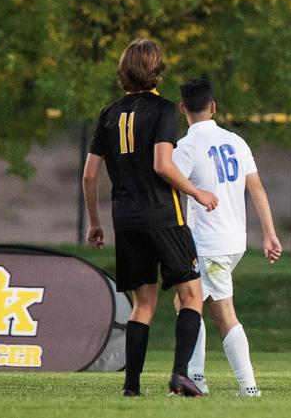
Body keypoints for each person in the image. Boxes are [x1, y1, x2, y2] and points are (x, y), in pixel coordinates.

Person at [81, 38, 219, 397]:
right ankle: (179, 375)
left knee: (143, 304)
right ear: (157, 68)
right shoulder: (162, 110)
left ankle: (131, 387)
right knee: (192, 295)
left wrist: (95, 223)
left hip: (125, 219)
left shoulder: (108, 113)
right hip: (162, 214)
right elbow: (162, 165)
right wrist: (197, 192)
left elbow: (89, 175)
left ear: (124, 70)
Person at [172, 79, 282, 397]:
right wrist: (270, 233)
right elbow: (256, 188)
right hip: (234, 240)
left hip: (208, 243)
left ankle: (248, 386)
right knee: (186, 302)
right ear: (214, 106)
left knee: (220, 311)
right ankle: (197, 379)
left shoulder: (187, 147)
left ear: (182, 109)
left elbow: (169, 182)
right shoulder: (235, 141)